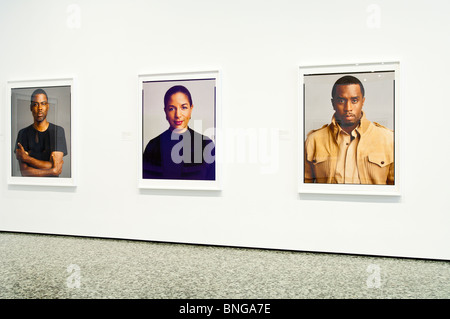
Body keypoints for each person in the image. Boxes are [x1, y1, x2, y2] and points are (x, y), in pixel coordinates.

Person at [304, 75, 394, 184]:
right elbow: (305, 187)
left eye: (354, 100)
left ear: (363, 102)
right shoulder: (313, 141)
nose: (348, 108)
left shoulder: (388, 139)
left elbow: (395, 189)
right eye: (341, 101)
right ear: (333, 103)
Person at [143, 85, 215, 180]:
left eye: (184, 107)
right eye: (172, 109)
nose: (178, 115)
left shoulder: (205, 144)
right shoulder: (153, 146)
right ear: (165, 112)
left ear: (191, 109)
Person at [14, 88, 68, 177]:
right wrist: (52, 171)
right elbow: (25, 172)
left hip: (54, 188)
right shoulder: (23, 133)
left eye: (43, 104)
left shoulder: (58, 131)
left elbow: (56, 166)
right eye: (35, 104)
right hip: (28, 188)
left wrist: (27, 158)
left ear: (48, 106)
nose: (40, 108)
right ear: (31, 107)